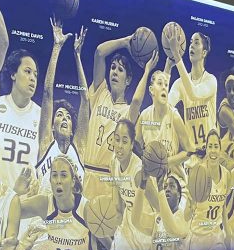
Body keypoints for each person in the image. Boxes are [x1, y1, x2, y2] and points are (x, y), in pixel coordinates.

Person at [78, 31, 155, 199]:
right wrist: (125, 41)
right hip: (88, 172)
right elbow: (99, 52)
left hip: (110, 179)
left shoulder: (127, 112)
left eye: (120, 70)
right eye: (113, 68)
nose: (114, 72)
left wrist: (147, 71)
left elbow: (136, 101)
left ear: (128, 80)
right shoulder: (100, 93)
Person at [14, 156, 96, 250]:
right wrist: (16, 192)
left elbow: (101, 248)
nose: (58, 180)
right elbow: (8, 212)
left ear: (73, 181)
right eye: (54, 175)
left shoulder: (87, 208)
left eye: (63, 175)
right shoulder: (43, 203)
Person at [34, 18, 86, 193]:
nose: (64, 118)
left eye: (68, 117)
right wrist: (57, 47)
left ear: (72, 130)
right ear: (52, 128)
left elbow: (85, 99)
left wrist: (77, 56)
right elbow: (48, 93)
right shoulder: (46, 144)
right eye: (59, 115)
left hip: (72, 219)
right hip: (42, 219)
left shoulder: (79, 148)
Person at [0, 48, 41, 189]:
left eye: (35, 75)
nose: (32, 78)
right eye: (27, 71)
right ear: (13, 74)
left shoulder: (41, 115)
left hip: (25, 201)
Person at [136, 69, 194, 177]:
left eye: (166, 85)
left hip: (173, 182)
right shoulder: (144, 116)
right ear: (151, 90)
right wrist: (146, 161)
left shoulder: (174, 116)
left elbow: (189, 151)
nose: (164, 87)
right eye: (160, 83)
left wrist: (164, 162)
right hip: (152, 180)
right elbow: (135, 147)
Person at [166, 32, 218, 149]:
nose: (191, 46)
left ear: (204, 53)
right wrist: (168, 67)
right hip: (191, 158)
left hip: (210, 155)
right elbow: (165, 107)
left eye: (196, 42)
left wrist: (177, 55)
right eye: (190, 42)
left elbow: (193, 93)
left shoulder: (211, 80)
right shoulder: (180, 83)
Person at [109, 120, 148, 250]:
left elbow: (158, 208)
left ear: (131, 145)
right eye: (117, 139)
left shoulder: (139, 172)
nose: (119, 145)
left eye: (124, 141)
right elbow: (118, 206)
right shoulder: (113, 163)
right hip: (127, 228)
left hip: (145, 231)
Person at [187, 131, 230, 250]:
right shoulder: (197, 173)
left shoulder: (227, 175)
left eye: (216, 146)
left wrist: (228, 234)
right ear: (206, 149)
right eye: (210, 146)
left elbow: (224, 207)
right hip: (198, 236)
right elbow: (187, 213)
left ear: (220, 149)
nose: (213, 150)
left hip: (216, 235)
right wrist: (191, 207)